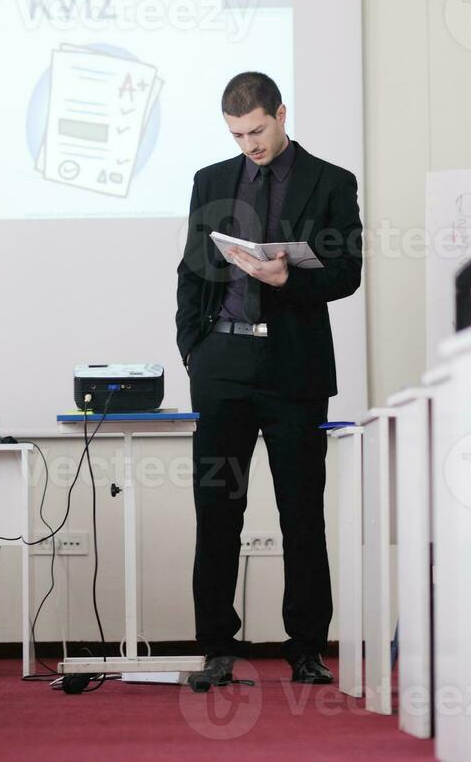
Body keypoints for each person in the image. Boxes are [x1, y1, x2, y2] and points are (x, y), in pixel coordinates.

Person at [175, 72, 363, 691]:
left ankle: (306, 646)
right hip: (222, 369)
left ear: (281, 114)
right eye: (237, 134)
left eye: (257, 130)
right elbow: (191, 271)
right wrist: (192, 350)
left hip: (294, 369)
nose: (249, 143)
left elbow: (347, 274)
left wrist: (291, 281)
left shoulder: (332, 182)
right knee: (217, 509)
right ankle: (217, 646)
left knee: (301, 512)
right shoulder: (211, 181)